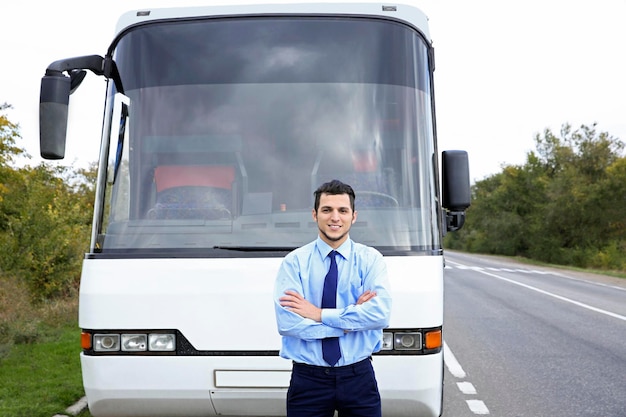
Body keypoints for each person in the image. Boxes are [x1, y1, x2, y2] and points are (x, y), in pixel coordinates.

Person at [274, 179, 392, 417]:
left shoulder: (371, 260)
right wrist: (349, 323)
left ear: (354, 216)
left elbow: (380, 314)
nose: (335, 217)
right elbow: (288, 324)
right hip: (308, 380)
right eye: (327, 210)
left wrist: (318, 314)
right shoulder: (294, 263)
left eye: (343, 210)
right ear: (314, 214)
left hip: (359, 377)